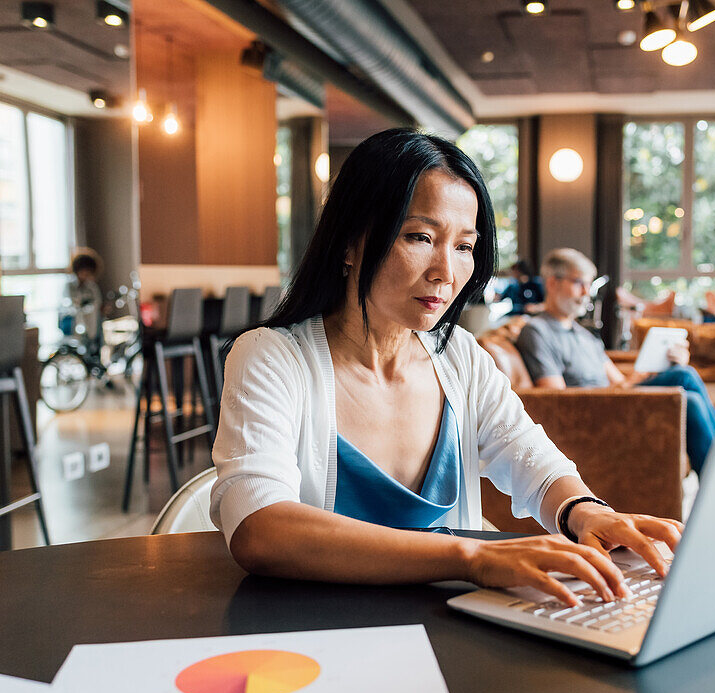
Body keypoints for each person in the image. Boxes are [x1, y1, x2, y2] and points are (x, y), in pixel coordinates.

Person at [210, 129, 683, 608]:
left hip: (453, 632)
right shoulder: (270, 357)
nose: (446, 271)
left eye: (463, 246)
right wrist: (470, 557)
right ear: (349, 244)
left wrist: (585, 511)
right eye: (420, 237)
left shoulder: (459, 355)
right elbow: (260, 529)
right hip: (319, 640)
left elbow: (531, 460)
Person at [515, 248, 715, 473]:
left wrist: (658, 366)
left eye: (589, 284)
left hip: (615, 401)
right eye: (578, 283)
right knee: (688, 399)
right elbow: (556, 399)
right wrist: (623, 387)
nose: (586, 292)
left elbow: (619, 382)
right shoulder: (537, 332)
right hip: (595, 414)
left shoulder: (584, 335)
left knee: (684, 373)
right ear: (553, 283)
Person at [63, 247, 104, 354]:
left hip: (90, 324)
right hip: (73, 324)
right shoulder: (70, 286)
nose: (85, 275)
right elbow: (70, 304)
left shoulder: (92, 287)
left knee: (92, 348)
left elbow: (97, 303)